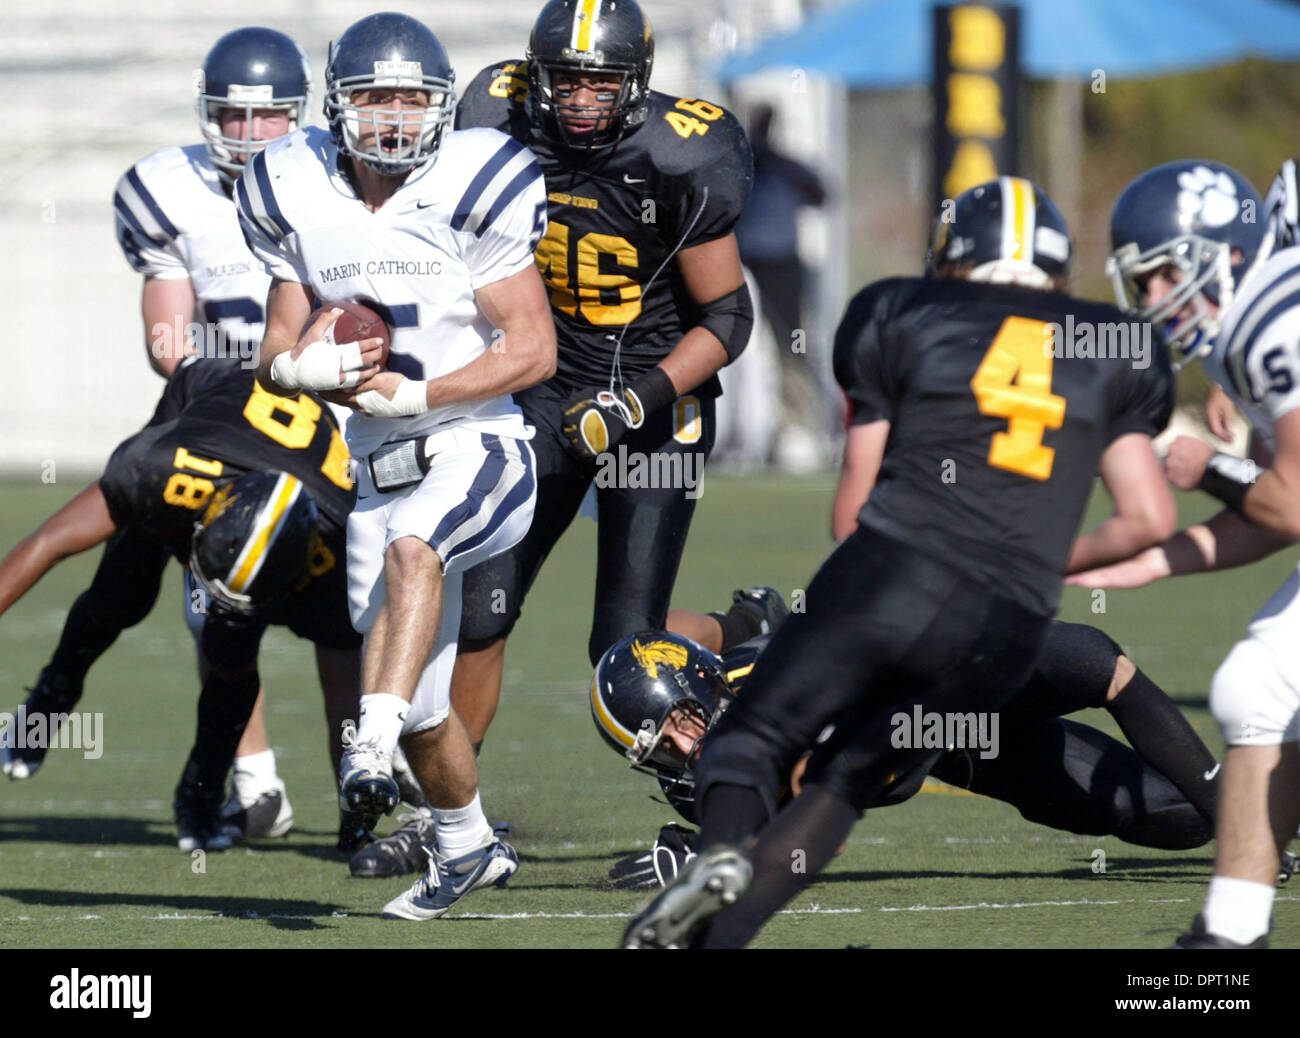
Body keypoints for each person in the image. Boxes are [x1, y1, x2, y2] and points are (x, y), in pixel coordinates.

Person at [623, 176, 1178, 949]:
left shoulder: (897, 311)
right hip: (1008, 620)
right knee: (852, 776)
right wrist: (1048, 559)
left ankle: (721, 863)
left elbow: (850, 512)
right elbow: (1148, 518)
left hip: (891, 574)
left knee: (761, 745)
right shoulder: (1114, 343)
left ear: (952, 254)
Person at [243, 12, 555, 919]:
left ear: (441, 106)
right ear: (336, 105)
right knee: (423, 707)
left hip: (478, 443)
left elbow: (533, 350)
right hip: (373, 469)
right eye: (375, 97)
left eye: (414, 100)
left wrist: (425, 395)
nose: (394, 118)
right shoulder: (289, 187)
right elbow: (276, 341)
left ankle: (363, 745)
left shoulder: (476, 181)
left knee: (419, 551)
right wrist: (297, 368)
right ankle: (467, 846)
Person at [449, 0, 755, 754]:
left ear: (638, 83)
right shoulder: (497, 114)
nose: (582, 100)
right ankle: (444, 819)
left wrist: (633, 403)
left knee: (623, 647)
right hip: (544, 390)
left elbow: (727, 319)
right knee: (482, 610)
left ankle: (741, 642)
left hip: (657, 400)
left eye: (602, 83)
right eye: (568, 81)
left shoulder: (684, 153)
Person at [0, 358, 360, 851]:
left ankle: (201, 794)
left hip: (285, 485)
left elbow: (344, 673)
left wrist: (356, 812)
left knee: (229, 649)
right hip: (204, 404)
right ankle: (54, 692)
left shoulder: (334, 547)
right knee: (121, 590)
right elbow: (51, 542)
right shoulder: (164, 469)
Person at [1073, 159, 1297, 949]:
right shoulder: (1254, 322)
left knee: (1258, 685)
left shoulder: (1273, 321)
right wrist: (1158, 559)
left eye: (1164, 272)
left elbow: (1293, 502)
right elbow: (1280, 513)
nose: (1155, 296)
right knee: (1253, 686)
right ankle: (1230, 939)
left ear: (1222, 253)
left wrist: (1210, 468)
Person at [596, 621, 1219, 890]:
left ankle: (1251, 822)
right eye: (659, 752)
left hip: (961, 671)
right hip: (961, 746)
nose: (683, 749)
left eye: (678, 723)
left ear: (701, 684)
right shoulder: (711, 774)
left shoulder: (782, 668)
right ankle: (1242, 810)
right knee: (1181, 821)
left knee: (1089, 659)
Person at [113, 26, 312, 838]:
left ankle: (384, 771)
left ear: (301, 117)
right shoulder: (170, 193)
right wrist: (222, 398)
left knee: (364, 596)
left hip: (340, 419)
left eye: (269, 118)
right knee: (216, 597)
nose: (249, 133)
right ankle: (256, 779)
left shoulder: (334, 178)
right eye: (233, 116)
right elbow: (168, 344)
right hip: (235, 423)